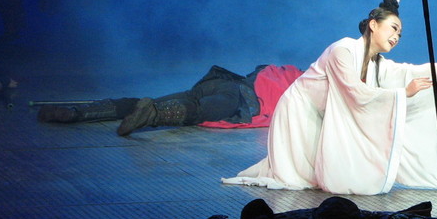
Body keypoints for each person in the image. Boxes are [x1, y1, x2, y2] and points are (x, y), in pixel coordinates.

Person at [222, 0, 437, 195]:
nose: (396, 36)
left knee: (315, 180)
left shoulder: (376, 63)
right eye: (393, 28)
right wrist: (402, 94)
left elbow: (408, 72)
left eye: (400, 33)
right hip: (300, 112)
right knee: (298, 180)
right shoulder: (343, 49)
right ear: (373, 24)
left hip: (321, 115)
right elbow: (354, 92)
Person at [37, 63, 304, 135]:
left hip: (222, 84)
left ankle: (77, 112)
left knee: (154, 100)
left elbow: (264, 70)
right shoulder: (306, 84)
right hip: (238, 98)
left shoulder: (291, 74)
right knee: (196, 109)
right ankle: (151, 116)